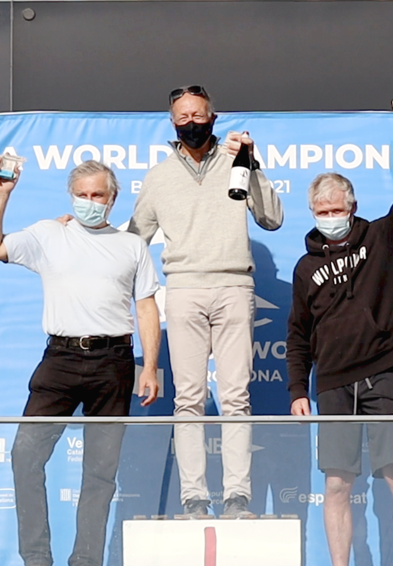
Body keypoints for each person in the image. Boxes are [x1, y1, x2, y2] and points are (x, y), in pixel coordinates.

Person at [0, 158, 161, 566]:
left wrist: (149, 366)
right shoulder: (49, 234)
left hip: (113, 362)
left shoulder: (132, 245)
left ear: (113, 199)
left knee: (100, 472)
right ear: (71, 197)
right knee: (25, 456)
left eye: (98, 195)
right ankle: (37, 564)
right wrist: (1, 196)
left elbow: (147, 305)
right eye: (82, 195)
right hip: (59, 360)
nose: (90, 202)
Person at [285, 97, 393, 566]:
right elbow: (298, 335)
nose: (331, 218)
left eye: (338, 209)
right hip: (333, 383)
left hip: (384, 371)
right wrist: (296, 390)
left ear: (352, 206)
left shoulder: (383, 237)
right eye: (322, 211)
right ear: (313, 212)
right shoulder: (305, 269)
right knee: (338, 484)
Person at [128, 84, 283, 518]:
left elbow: (272, 218)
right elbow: (133, 242)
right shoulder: (159, 177)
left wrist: (253, 165)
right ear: (172, 122)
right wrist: (86, 240)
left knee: (235, 397)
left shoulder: (238, 159)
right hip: (183, 289)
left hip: (235, 286)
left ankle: (237, 497)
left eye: (199, 115)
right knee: (188, 398)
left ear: (213, 117)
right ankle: (193, 497)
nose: (192, 123)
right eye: (183, 117)